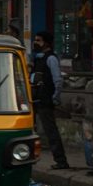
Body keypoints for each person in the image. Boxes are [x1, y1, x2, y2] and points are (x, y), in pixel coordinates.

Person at [32, 31, 69, 170]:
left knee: (51, 131)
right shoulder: (38, 58)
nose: (36, 43)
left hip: (46, 100)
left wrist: (55, 98)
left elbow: (58, 80)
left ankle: (61, 161)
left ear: (46, 43)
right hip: (36, 99)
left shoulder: (51, 59)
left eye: (39, 40)